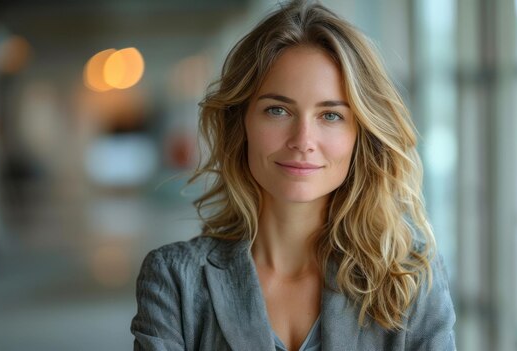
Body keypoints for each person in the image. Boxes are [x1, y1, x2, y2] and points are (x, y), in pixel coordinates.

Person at [131, 1, 456, 350]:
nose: (303, 141)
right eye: (278, 110)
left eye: (330, 116)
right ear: (241, 124)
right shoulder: (175, 279)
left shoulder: (409, 277)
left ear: (360, 133)